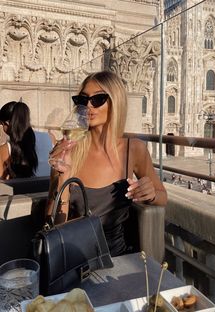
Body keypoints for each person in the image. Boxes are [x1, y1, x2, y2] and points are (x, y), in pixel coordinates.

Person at [46, 70, 167, 257]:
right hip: (75, 260)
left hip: (119, 259)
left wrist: (149, 194)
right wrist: (62, 179)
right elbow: (54, 226)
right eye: (82, 99)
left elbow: (162, 196)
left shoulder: (133, 149)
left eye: (98, 99)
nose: (88, 106)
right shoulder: (68, 151)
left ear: (115, 102)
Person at [0, 101, 38, 179]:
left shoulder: (5, 149)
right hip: (47, 189)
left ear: (7, 123)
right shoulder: (49, 137)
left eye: (1, 124)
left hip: (20, 190)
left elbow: (1, 183)